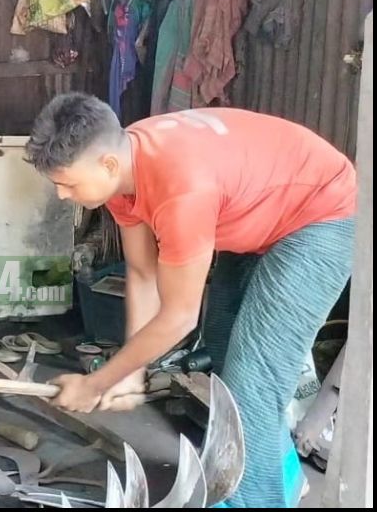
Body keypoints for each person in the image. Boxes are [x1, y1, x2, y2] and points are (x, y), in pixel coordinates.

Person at [24, 92, 356, 507]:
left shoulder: (179, 186)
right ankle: (280, 472)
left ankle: (254, 500)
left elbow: (179, 316)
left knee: (252, 378)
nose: (60, 195)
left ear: (106, 165)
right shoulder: (123, 168)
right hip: (263, 210)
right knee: (219, 339)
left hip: (320, 215)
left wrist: (98, 381)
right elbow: (144, 275)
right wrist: (131, 369)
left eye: (66, 183)